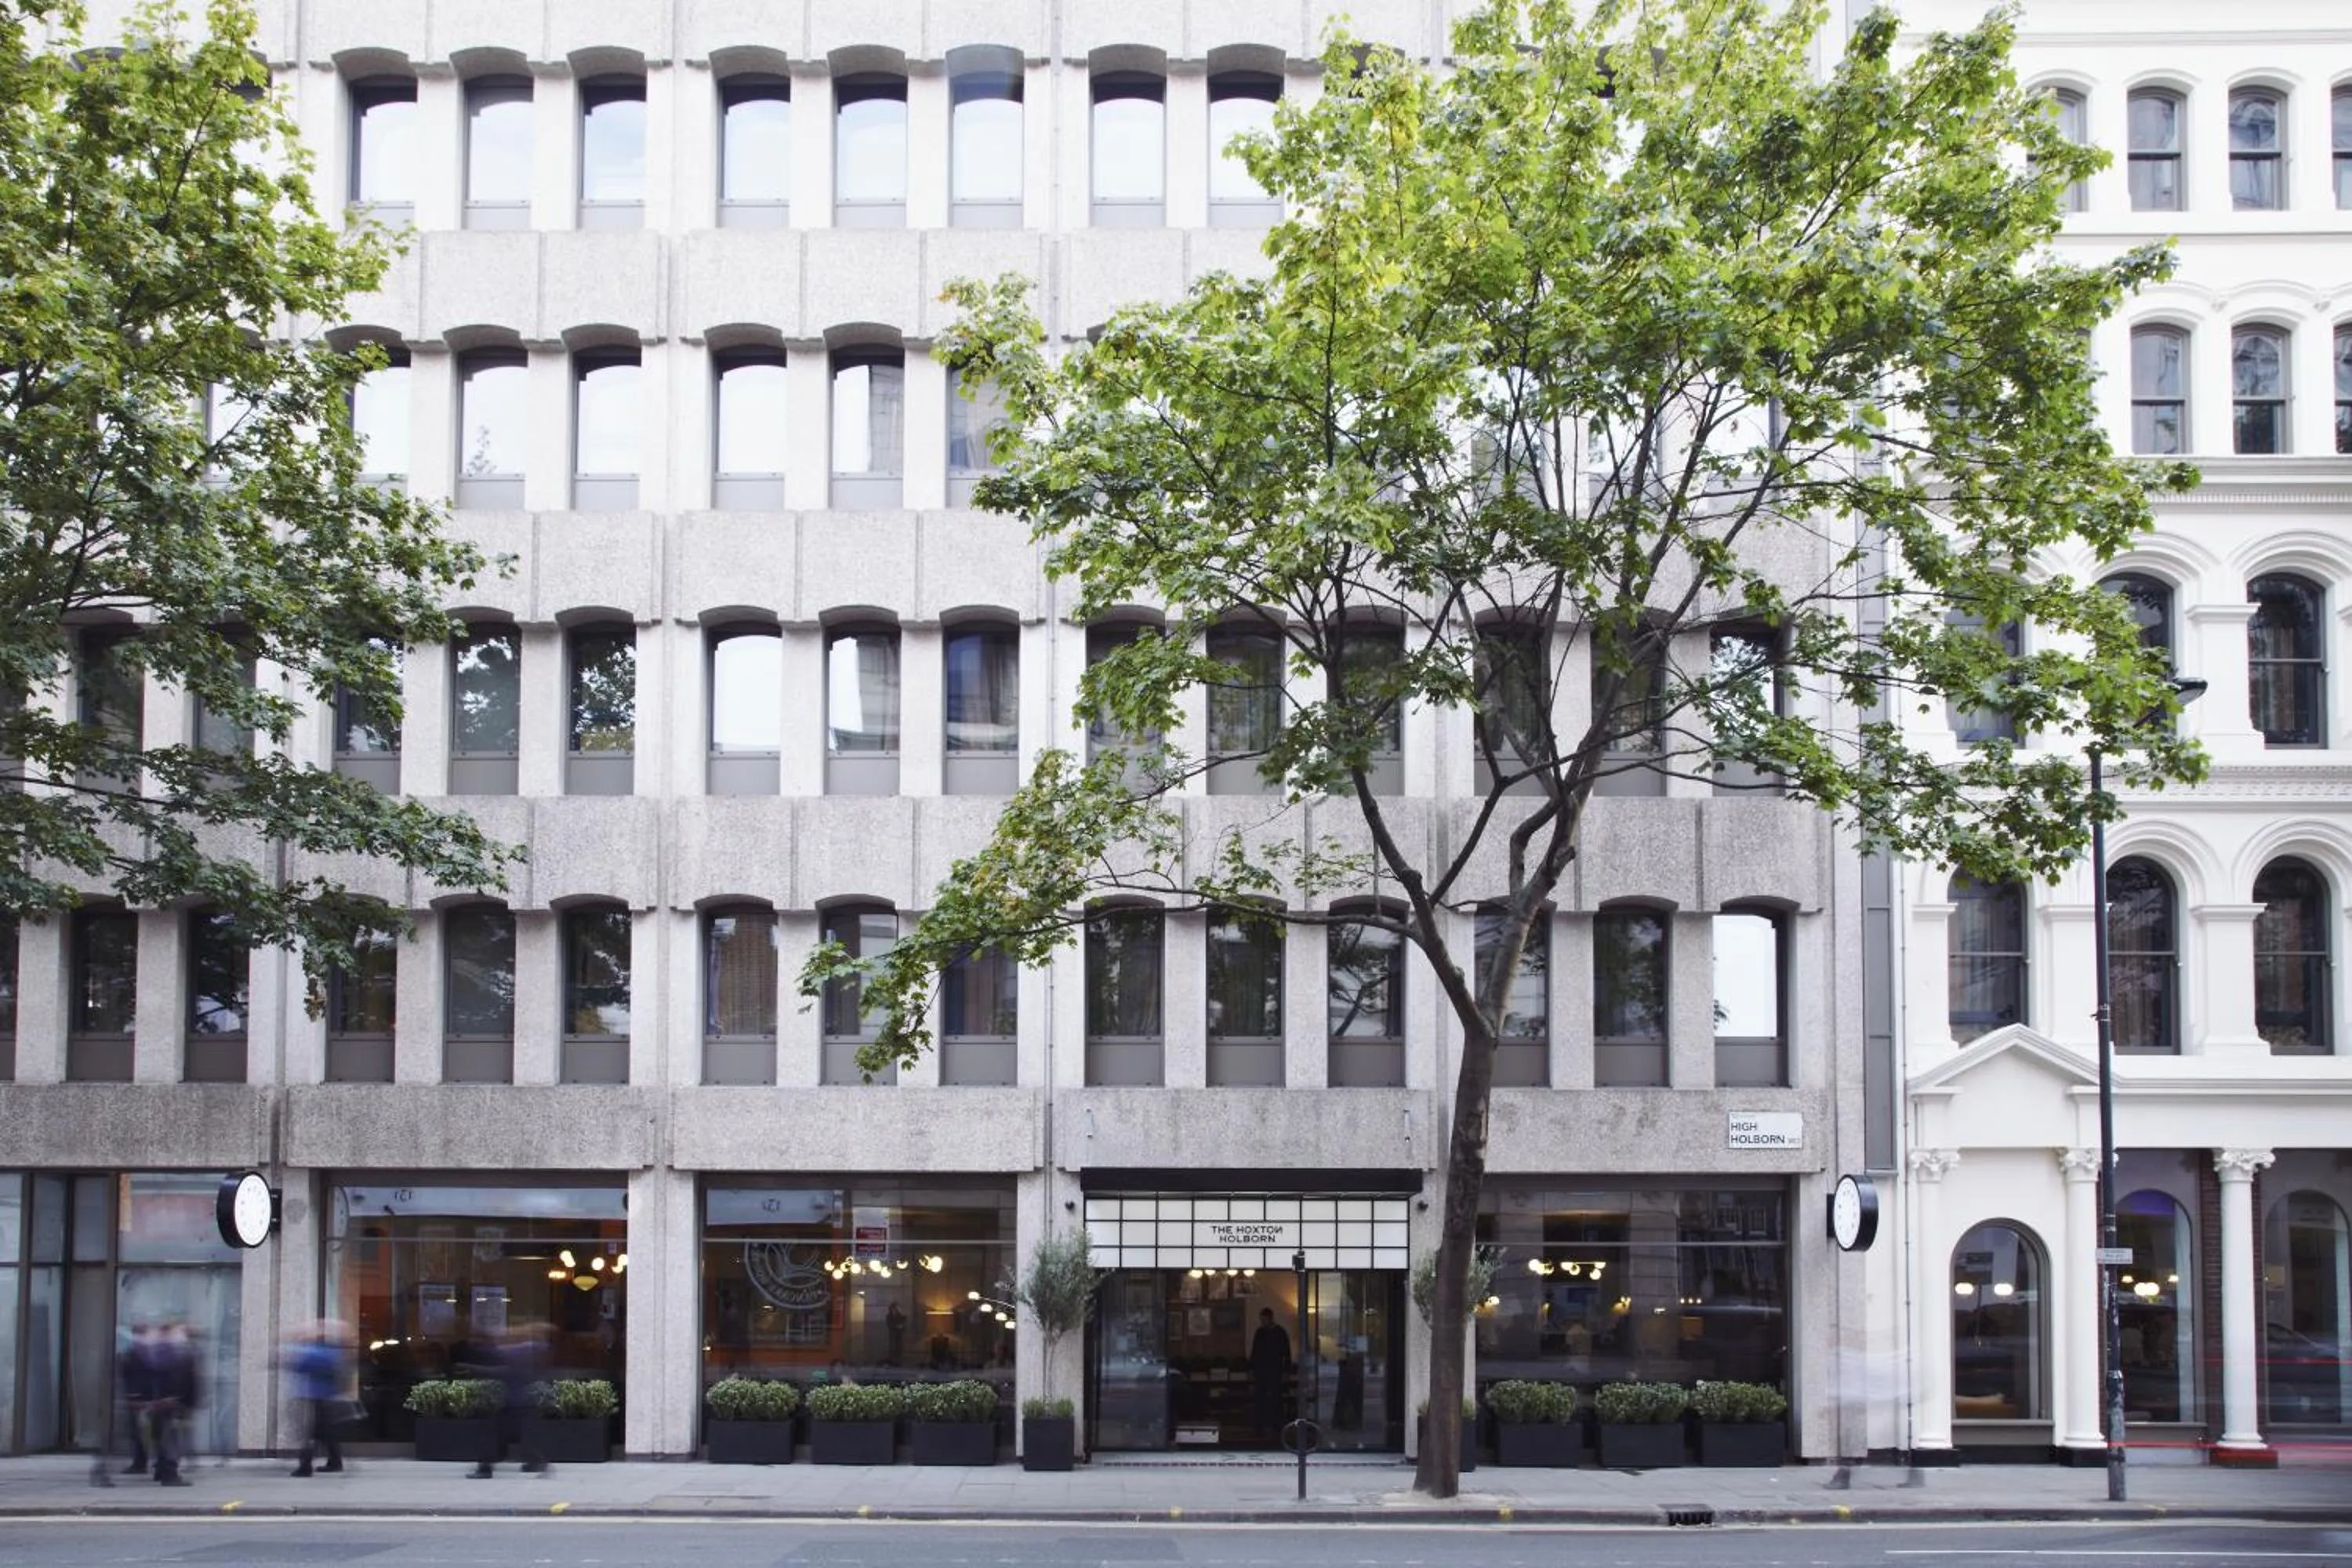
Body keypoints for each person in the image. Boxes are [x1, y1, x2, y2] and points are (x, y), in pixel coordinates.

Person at [285, 1320, 350, 1477]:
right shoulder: (329, 1350)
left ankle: (306, 1466)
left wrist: (297, 1359)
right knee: (325, 1432)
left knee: (313, 1433)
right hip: (324, 1396)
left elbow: (303, 1366)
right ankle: (334, 1462)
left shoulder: (319, 1351)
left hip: (319, 1396)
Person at [149, 1322, 198, 1486]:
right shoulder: (172, 1354)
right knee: (170, 1439)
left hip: (165, 1402)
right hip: (170, 1402)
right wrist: (176, 1399)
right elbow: (178, 1379)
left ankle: (162, 1470)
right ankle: (169, 1474)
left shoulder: (159, 1352)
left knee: (165, 1438)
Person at [1249, 1306, 1291, 1445]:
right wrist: (1252, 1369)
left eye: (1264, 1319)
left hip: (1275, 1370)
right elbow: (1255, 1352)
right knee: (1259, 1399)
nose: (1262, 1322)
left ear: (1270, 1318)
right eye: (1261, 1320)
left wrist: (1286, 1371)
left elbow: (1287, 1353)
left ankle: (1277, 1427)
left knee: (1275, 1399)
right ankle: (1259, 1428)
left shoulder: (1280, 1333)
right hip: (1261, 1371)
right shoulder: (1260, 1332)